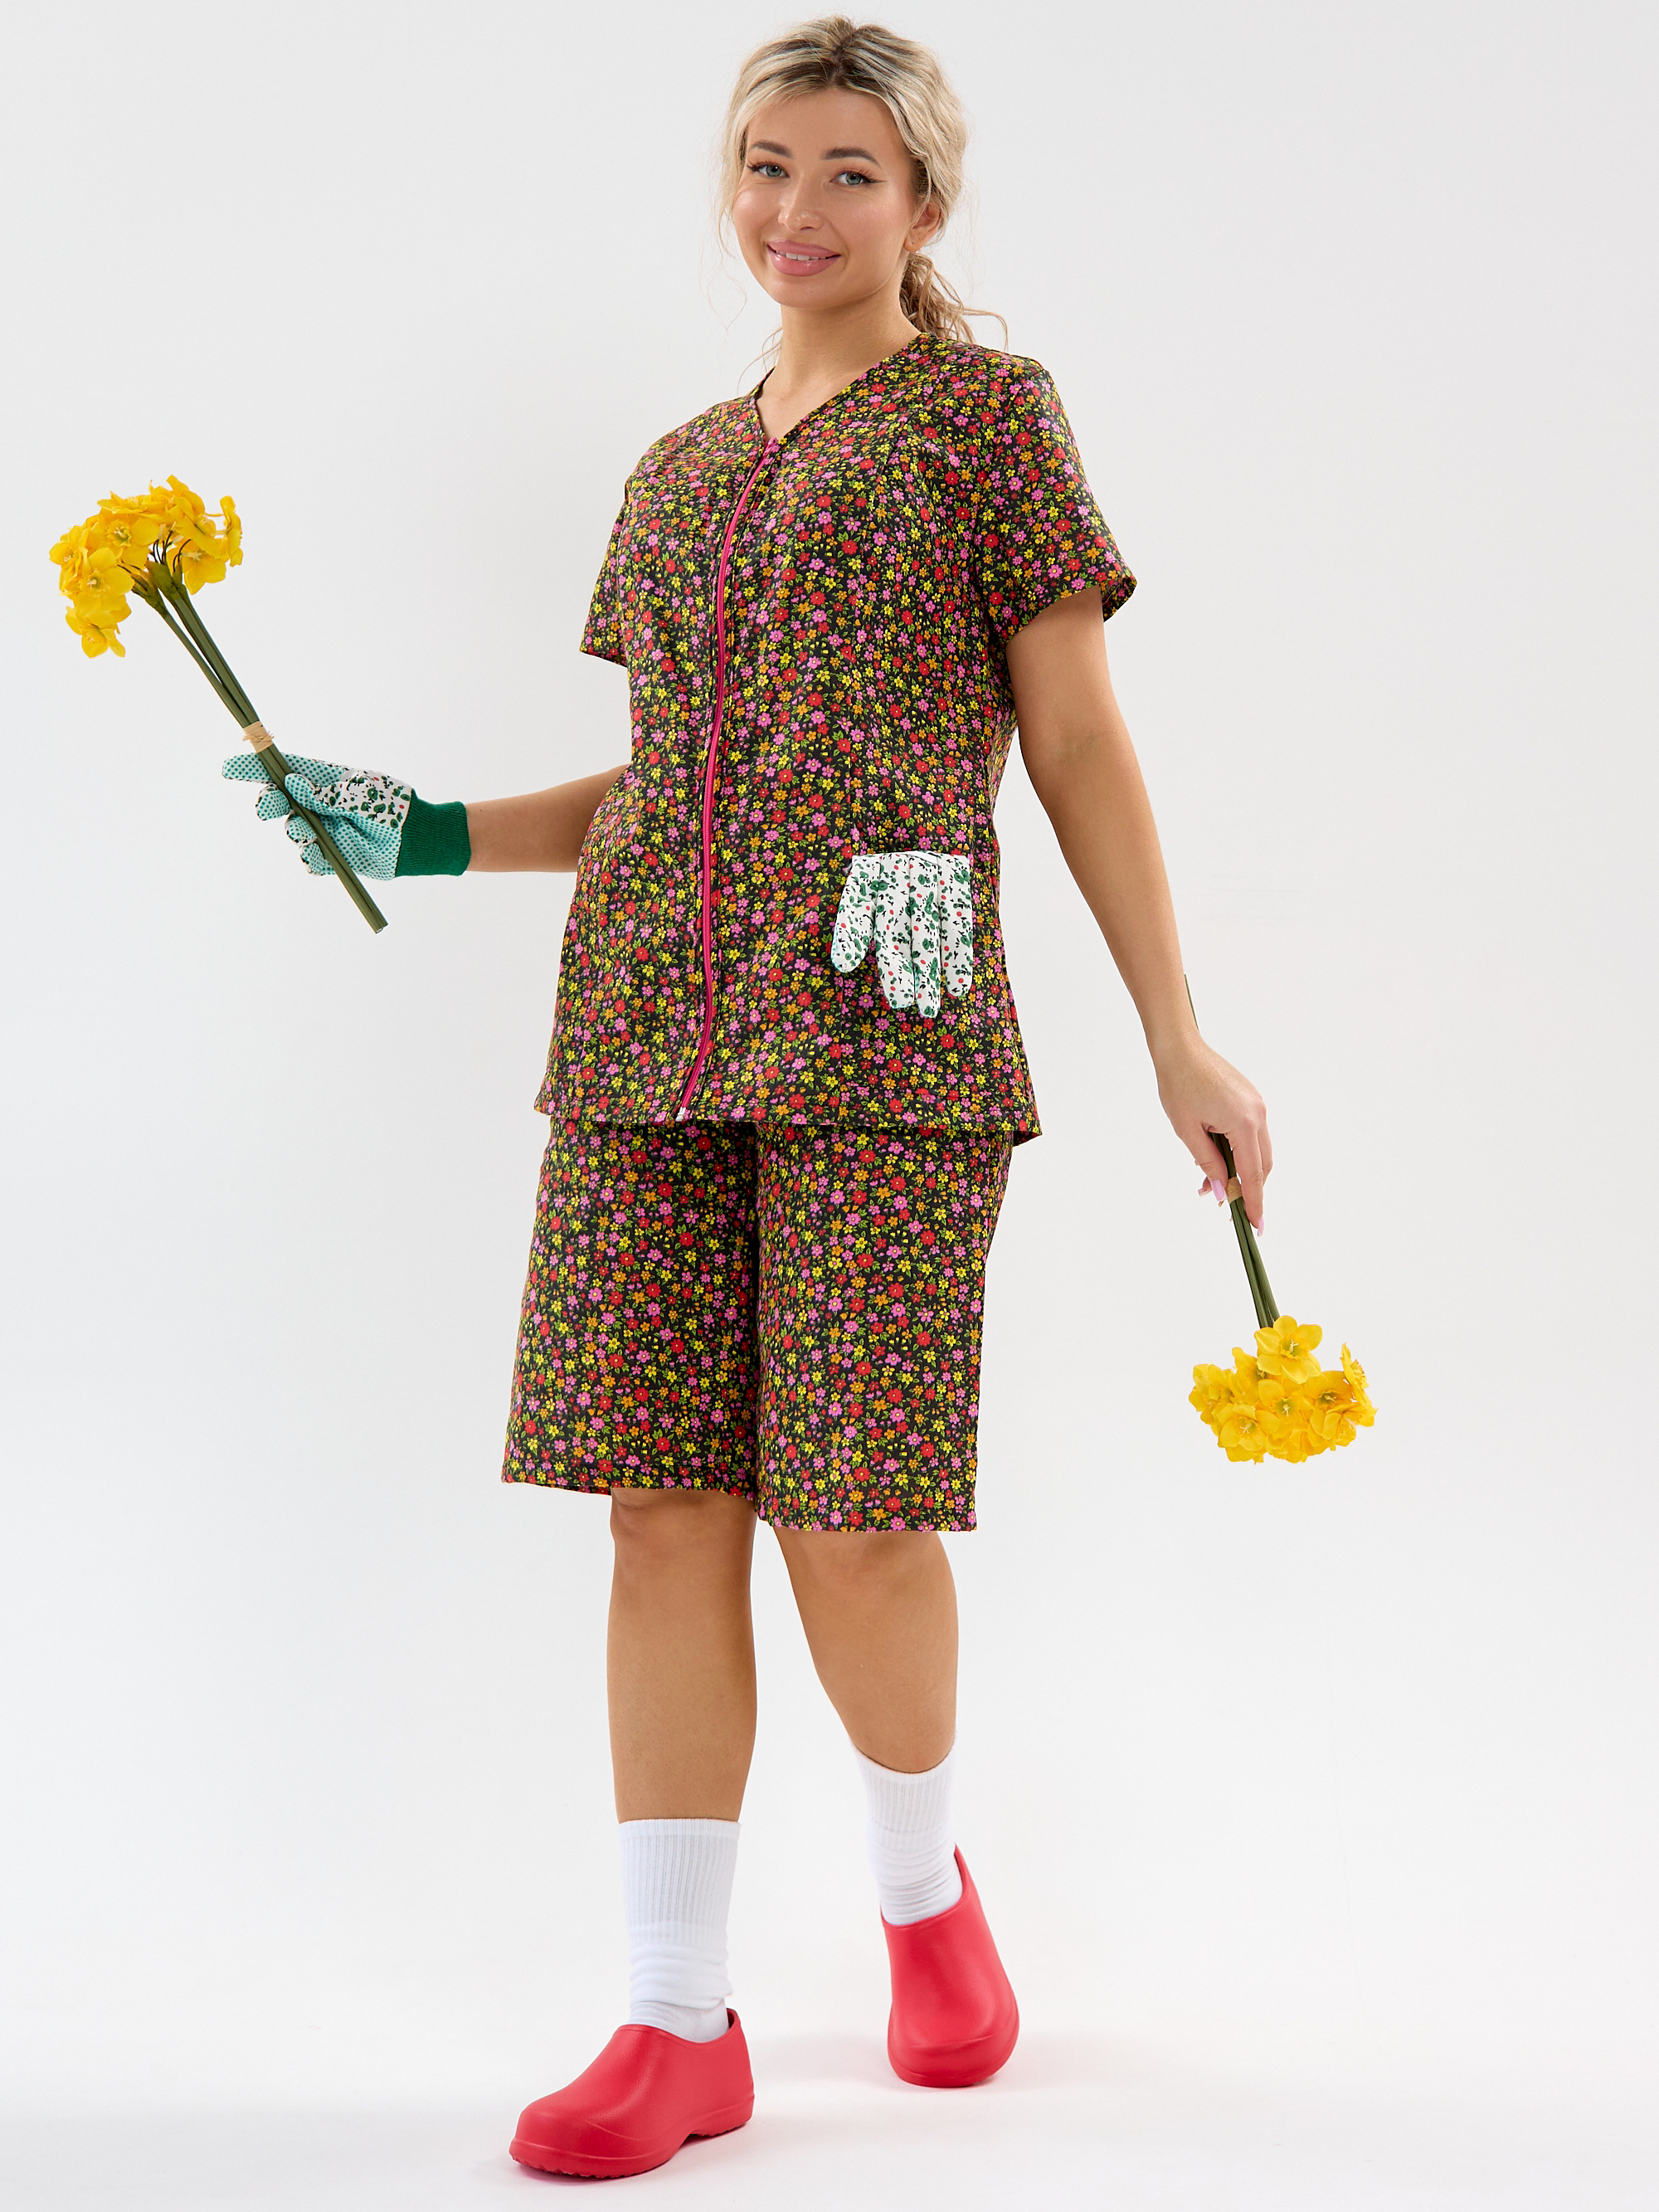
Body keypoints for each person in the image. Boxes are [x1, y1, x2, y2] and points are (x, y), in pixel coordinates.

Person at [224, 14, 1271, 2182]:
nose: (796, 209)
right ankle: (674, 2017)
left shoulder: (988, 422)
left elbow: (1077, 736)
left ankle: (921, 1895)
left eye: (848, 172)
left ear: (926, 202)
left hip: (885, 1030)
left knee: (855, 1516)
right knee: (656, 1505)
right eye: (766, 165)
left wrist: (1176, 1027)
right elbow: (670, 788)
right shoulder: (680, 470)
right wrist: (414, 830)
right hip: (645, 1038)